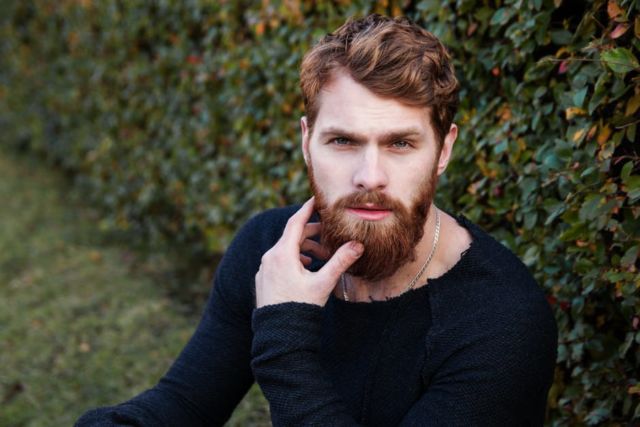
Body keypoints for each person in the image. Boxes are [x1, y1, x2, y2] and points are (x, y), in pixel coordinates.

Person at [76, 14, 557, 426]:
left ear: (443, 149)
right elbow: (181, 404)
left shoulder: (502, 320)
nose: (371, 177)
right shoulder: (271, 248)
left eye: (400, 144)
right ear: (307, 141)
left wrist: (285, 333)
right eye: (343, 141)